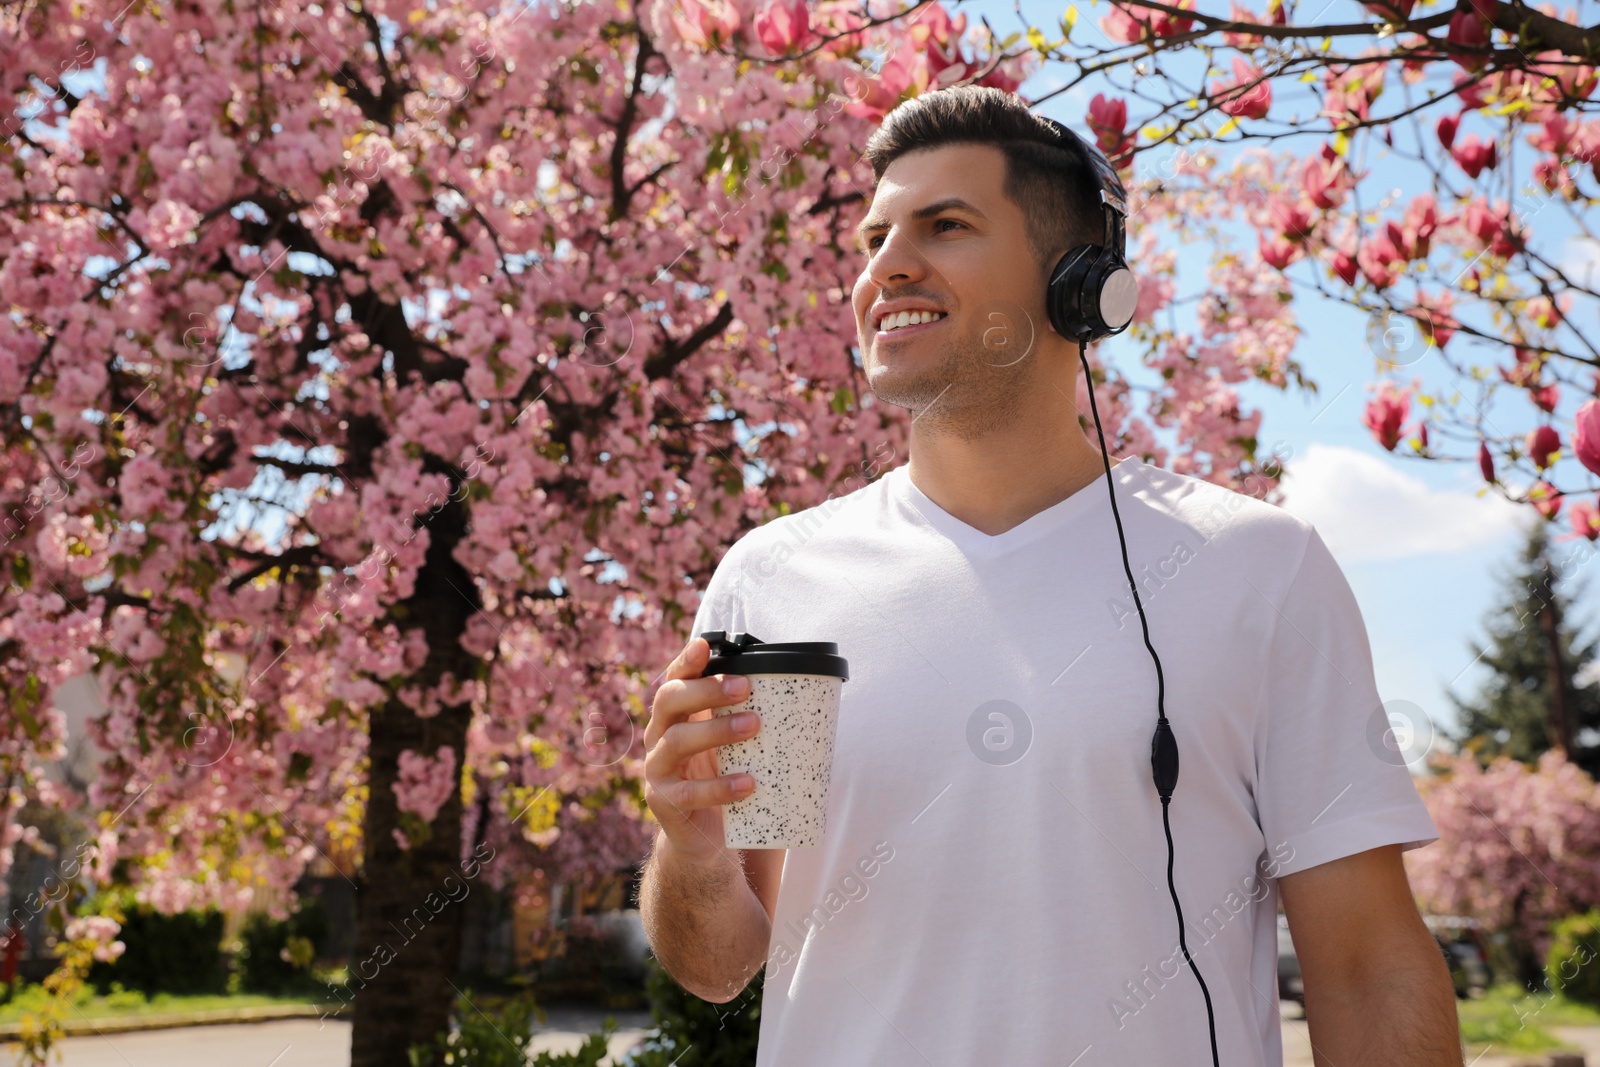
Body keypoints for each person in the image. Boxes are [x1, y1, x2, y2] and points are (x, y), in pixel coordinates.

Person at [638, 84, 1461, 1066]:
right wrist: (689, 853)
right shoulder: (773, 579)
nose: (884, 266)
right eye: (870, 238)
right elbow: (718, 962)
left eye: (944, 226)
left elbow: (1367, 960)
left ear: (1079, 282)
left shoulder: (1258, 568)